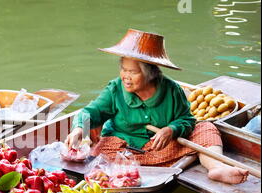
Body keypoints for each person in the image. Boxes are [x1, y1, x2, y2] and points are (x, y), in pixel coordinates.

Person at [65, 29, 248, 184]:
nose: (125, 76)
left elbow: (187, 120)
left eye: (133, 72)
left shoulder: (172, 90)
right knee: (102, 154)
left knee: (206, 128)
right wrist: (79, 130)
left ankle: (217, 168)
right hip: (122, 148)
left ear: (150, 73)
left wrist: (171, 130)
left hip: (161, 148)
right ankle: (126, 175)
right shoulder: (115, 89)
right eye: (123, 70)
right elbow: (91, 112)